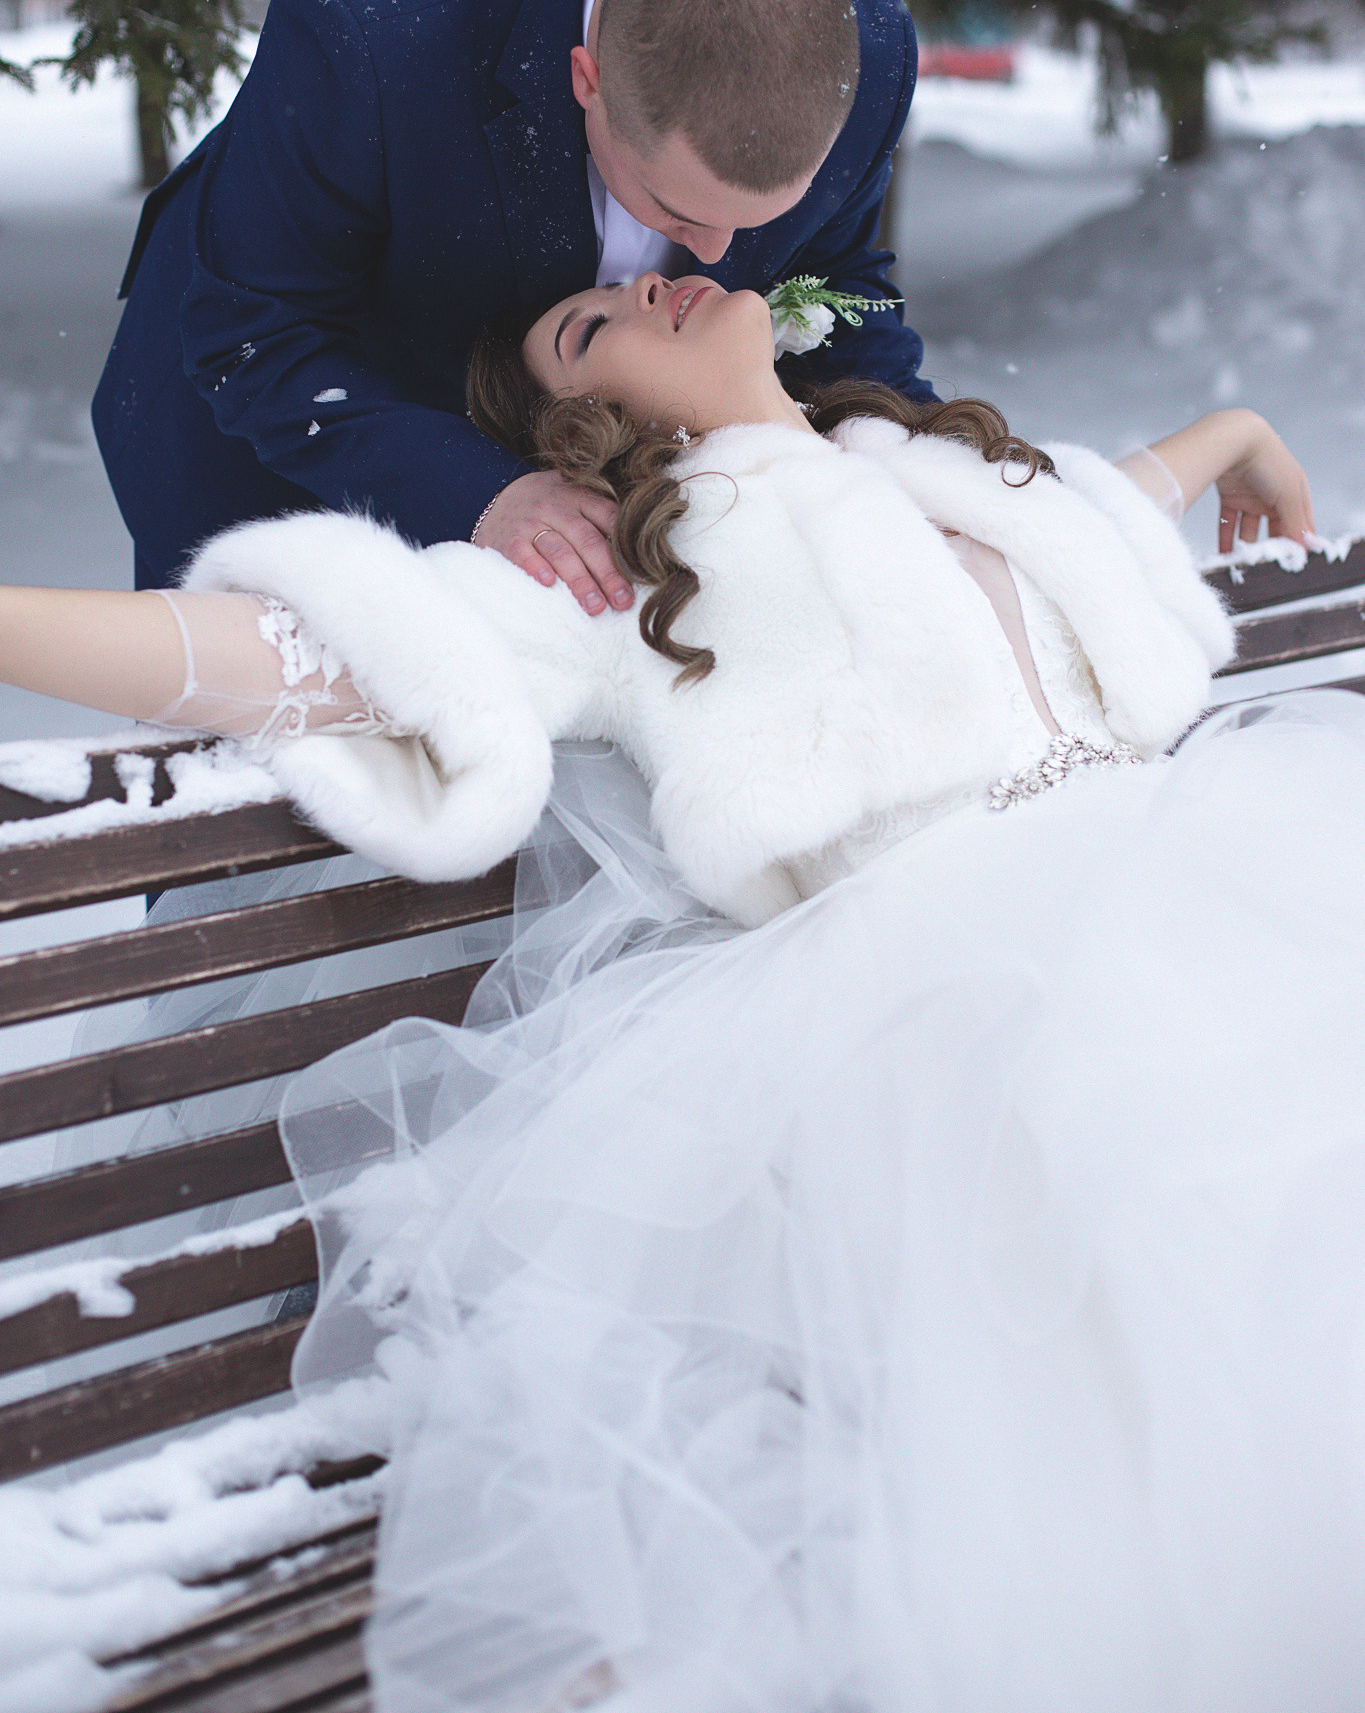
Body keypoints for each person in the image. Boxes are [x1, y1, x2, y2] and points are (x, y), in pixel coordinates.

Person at [4, 272, 1363, 1711]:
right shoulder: (622, 582)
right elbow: (316, 661)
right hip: (950, 1010)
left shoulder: (924, 466)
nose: (638, 283)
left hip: (1182, 892)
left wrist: (1237, 433)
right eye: (587, 330)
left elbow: (1107, 498)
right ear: (579, 430)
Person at [93, 0, 932, 607]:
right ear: (586, 82)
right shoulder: (372, 20)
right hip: (293, 437)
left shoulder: (867, 49)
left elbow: (837, 276)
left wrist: (927, 462)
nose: (714, 255)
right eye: (675, 208)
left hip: (624, 511)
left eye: (756, 220)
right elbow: (256, 333)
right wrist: (479, 493)